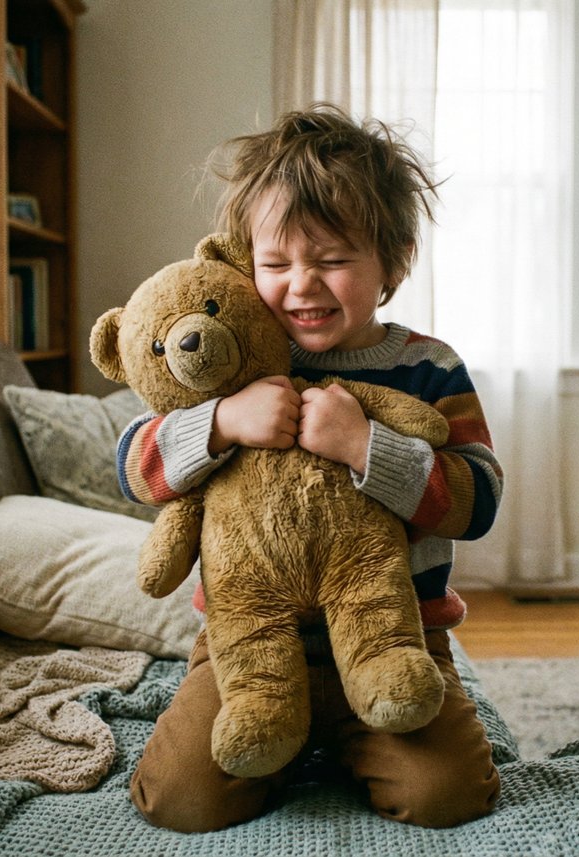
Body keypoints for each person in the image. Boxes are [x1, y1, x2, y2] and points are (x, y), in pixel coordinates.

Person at [121, 103, 503, 833]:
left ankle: (344, 738)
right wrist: (223, 423)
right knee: (180, 800)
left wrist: (369, 448)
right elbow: (135, 466)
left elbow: (479, 499)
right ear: (243, 262)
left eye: (332, 260)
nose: (302, 284)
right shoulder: (229, 348)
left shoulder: (427, 366)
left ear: (391, 261)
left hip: (399, 639)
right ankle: (287, 741)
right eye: (276, 263)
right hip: (246, 647)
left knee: (448, 797)